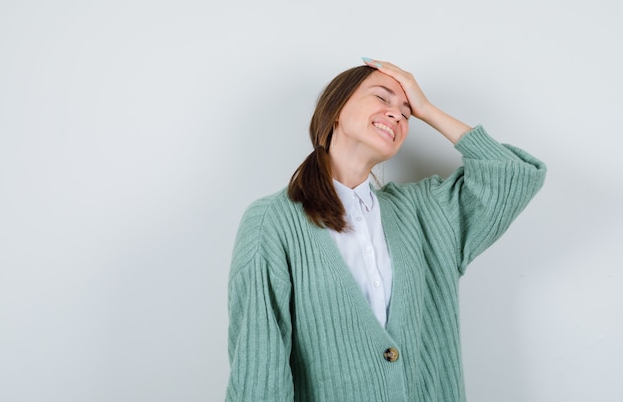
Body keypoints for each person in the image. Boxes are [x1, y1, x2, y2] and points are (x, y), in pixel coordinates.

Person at [225, 58, 546, 402]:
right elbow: (258, 371)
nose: (397, 114)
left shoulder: (425, 212)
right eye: (382, 98)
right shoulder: (271, 222)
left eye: (406, 114)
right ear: (335, 110)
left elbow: (514, 175)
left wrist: (427, 109)